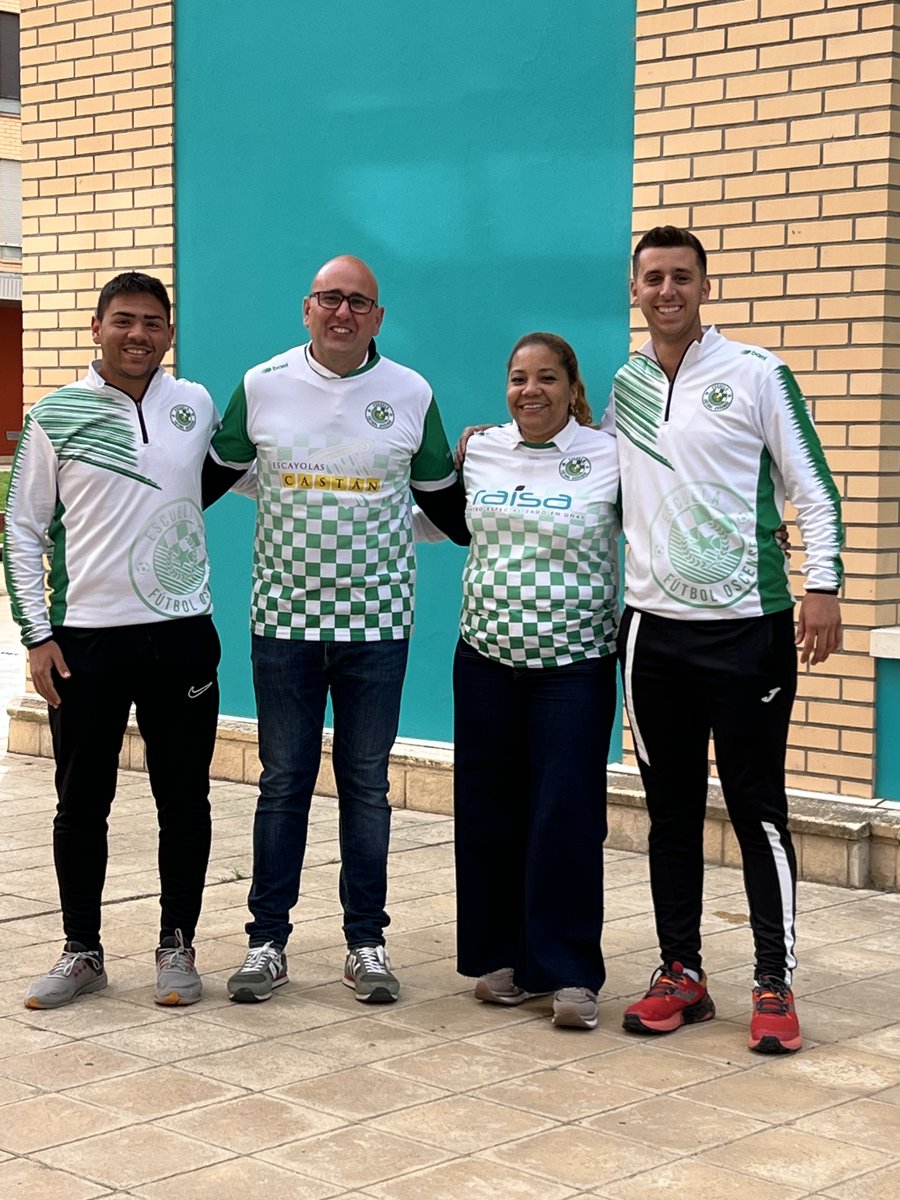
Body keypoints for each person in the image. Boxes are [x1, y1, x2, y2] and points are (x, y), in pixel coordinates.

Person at [203, 255, 467, 1004]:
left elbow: (446, 505)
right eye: (330, 299)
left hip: (378, 627)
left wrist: (509, 488)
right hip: (282, 624)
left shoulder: (411, 393)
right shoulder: (261, 386)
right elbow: (201, 485)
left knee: (366, 786)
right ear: (306, 308)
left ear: (378, 317)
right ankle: (266, 943)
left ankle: (366, 943)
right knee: (283, 783)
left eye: (359, 302)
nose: (343, 312)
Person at [609, 226, 843, 1054]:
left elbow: (813, 485)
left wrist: (822, 586)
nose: (666, 290)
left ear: (704, 287)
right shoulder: (626, 385)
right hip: (650, 633)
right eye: (652, 279)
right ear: (634, 290)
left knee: (758, 810)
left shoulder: (757, 374)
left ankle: (773, 981)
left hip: (749, 629)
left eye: (681, 277)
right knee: (668, 811)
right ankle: (682, 972)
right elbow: (605, 486)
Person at [4, 272, 222, 1009]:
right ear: (96, 325)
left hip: (182, 635)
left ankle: (177, 945)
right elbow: (23, 528)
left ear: (168, 332)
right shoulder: (55, 414)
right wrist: (37, 636)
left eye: (153, 322)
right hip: (85, 643)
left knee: (183, 799)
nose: (138, 334)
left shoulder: (194, 405)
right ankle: (82, 951)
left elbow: (238, 472)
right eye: (123, 320)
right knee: (80, 802)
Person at [452, 332, 620, 1031]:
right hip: (486, 655)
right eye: (519, 378)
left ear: (570, 386)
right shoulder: (482, 449)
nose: (530, 391)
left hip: (574, 662)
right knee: (490, 811)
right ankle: (502, 958)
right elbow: (437, 522)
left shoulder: (610, 454)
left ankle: (570, 970)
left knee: (566, 814)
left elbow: (669, 514)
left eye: (546, 377)